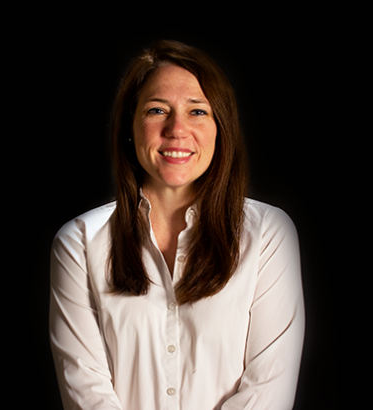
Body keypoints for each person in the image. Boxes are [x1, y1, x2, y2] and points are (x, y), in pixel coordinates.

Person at [49, 40, 305, 410]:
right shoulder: (79, 243)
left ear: (221, 128)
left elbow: (268, 390)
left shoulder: (267, 234)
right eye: (157, 110)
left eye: (197, 111)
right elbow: (86, 391)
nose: (177, 129)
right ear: (130, 127)